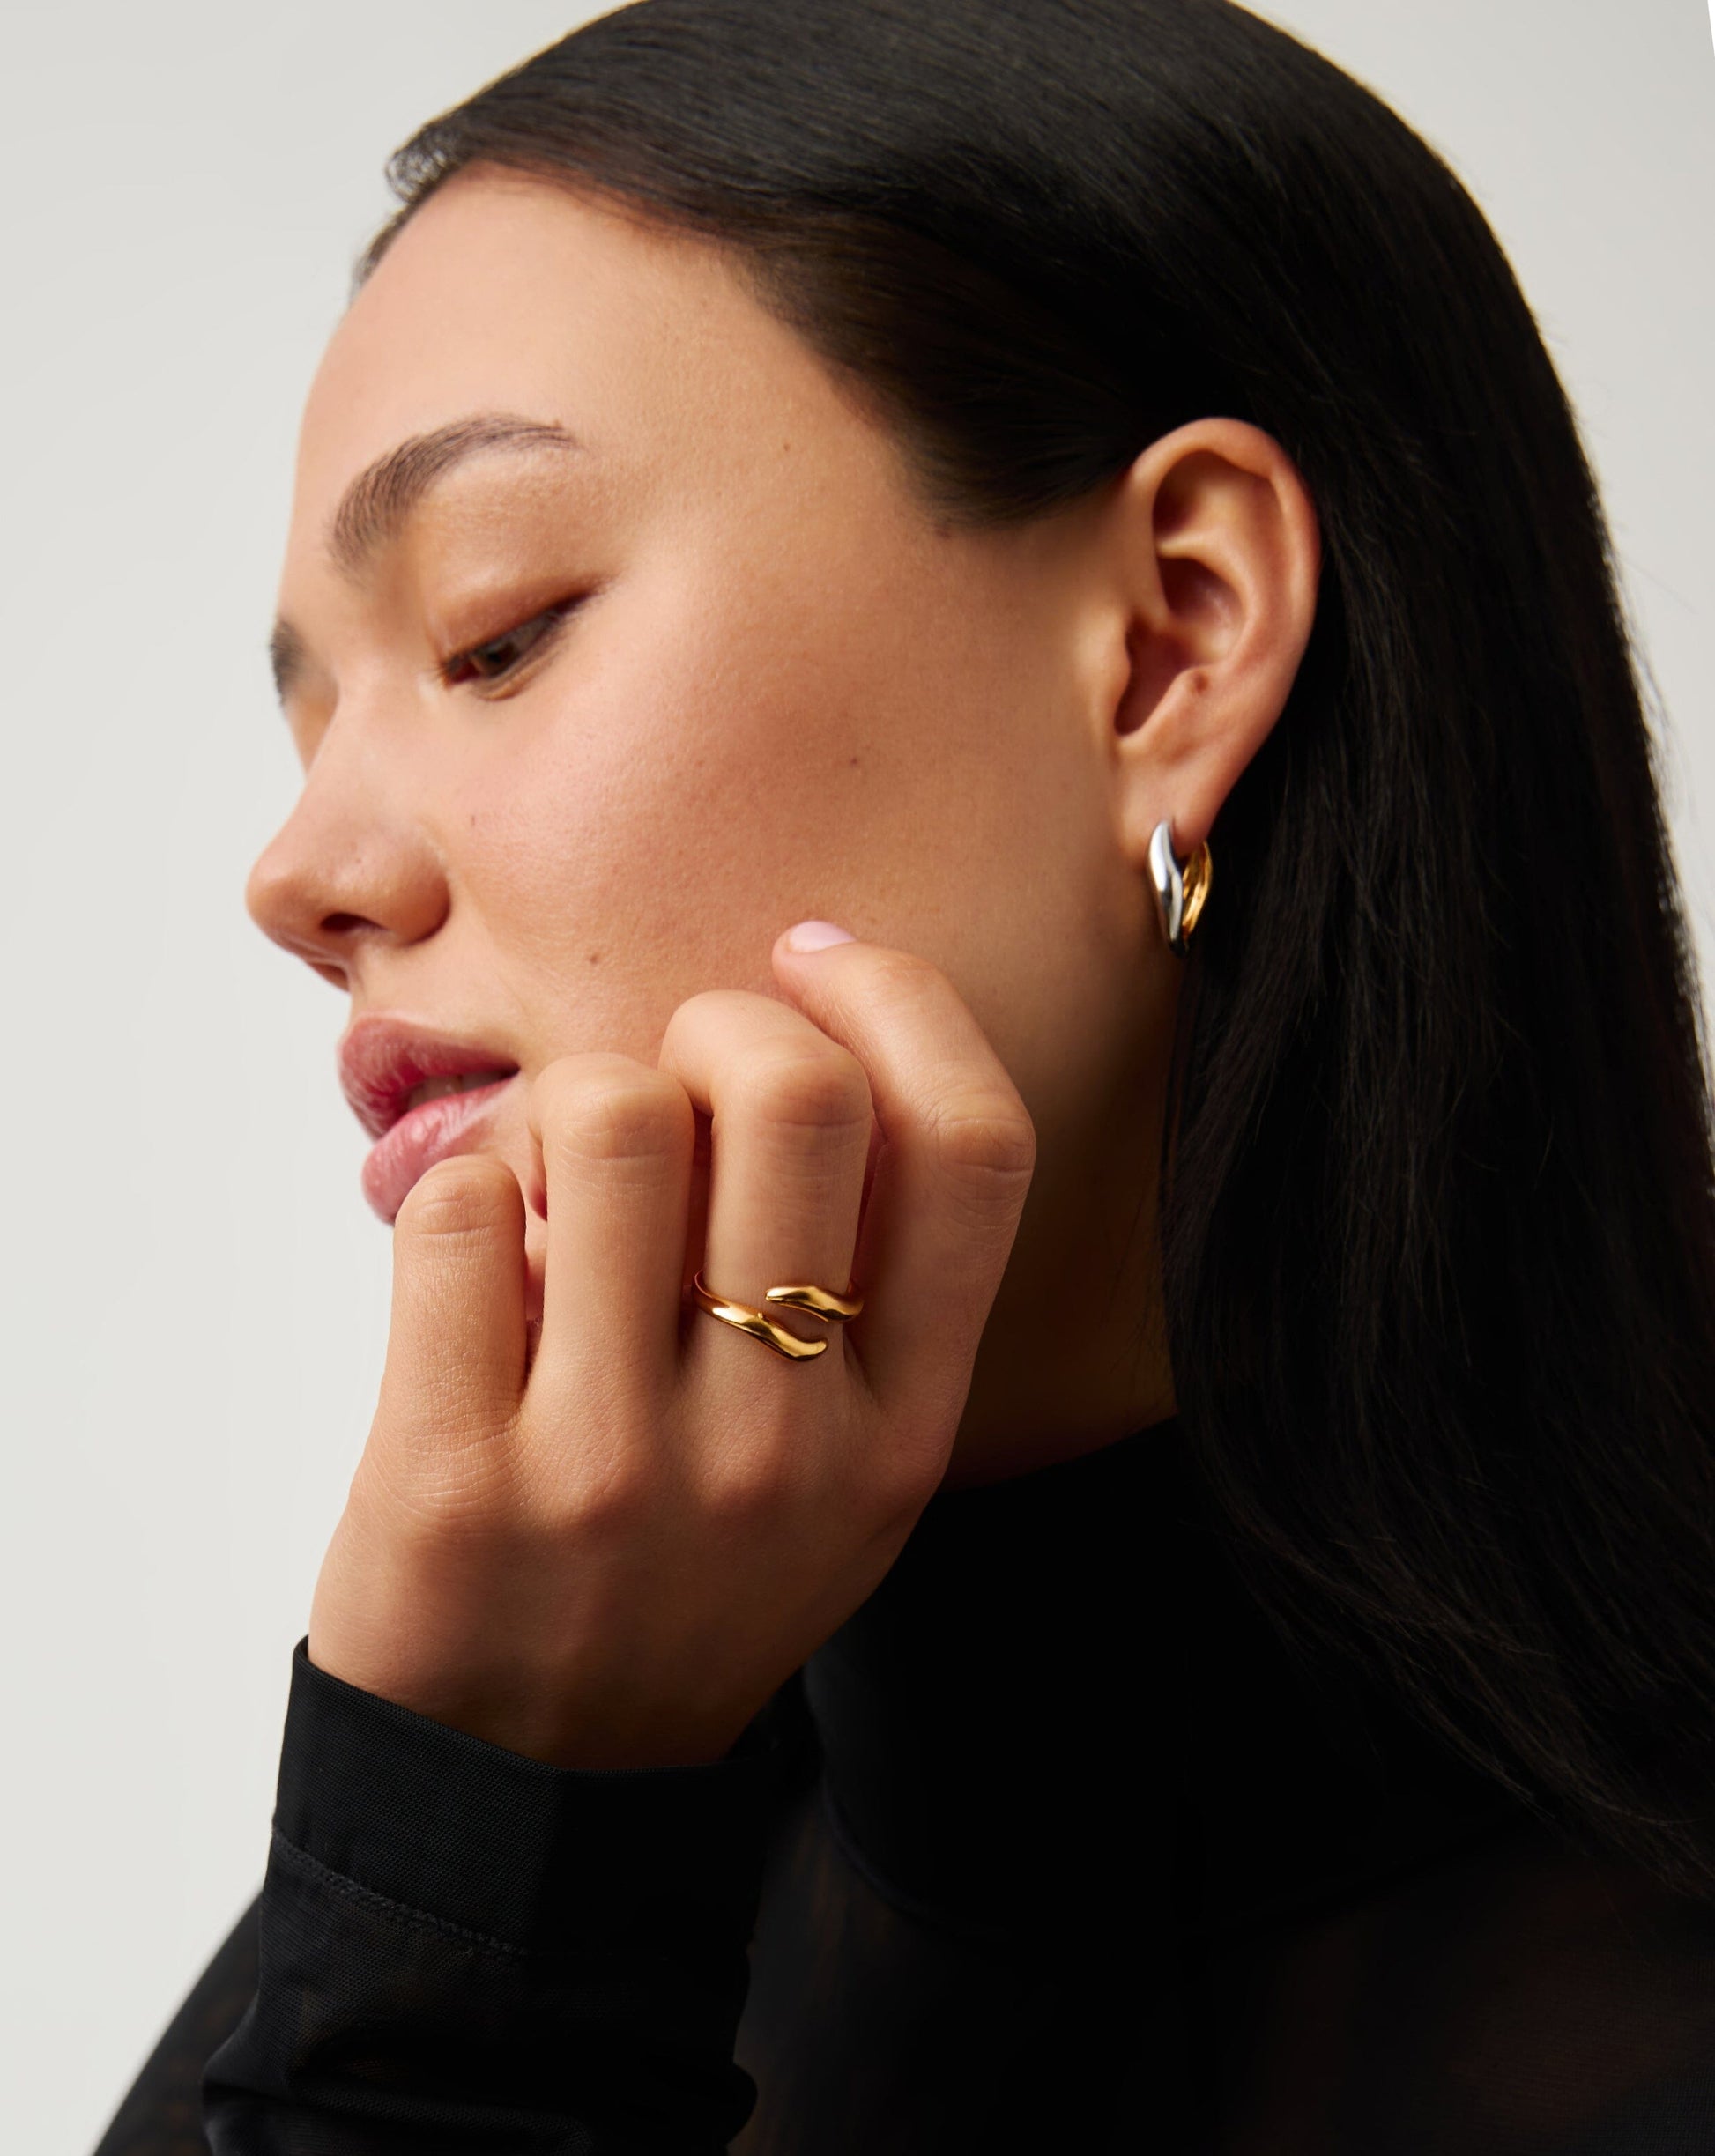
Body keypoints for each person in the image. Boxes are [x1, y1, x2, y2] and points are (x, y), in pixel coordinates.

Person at [92, 0, 1715, 2149]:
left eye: (497, 630)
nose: (299, 876)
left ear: (1170, 637)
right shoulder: (488, 1863)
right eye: (314, 721)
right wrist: (470, 1873)